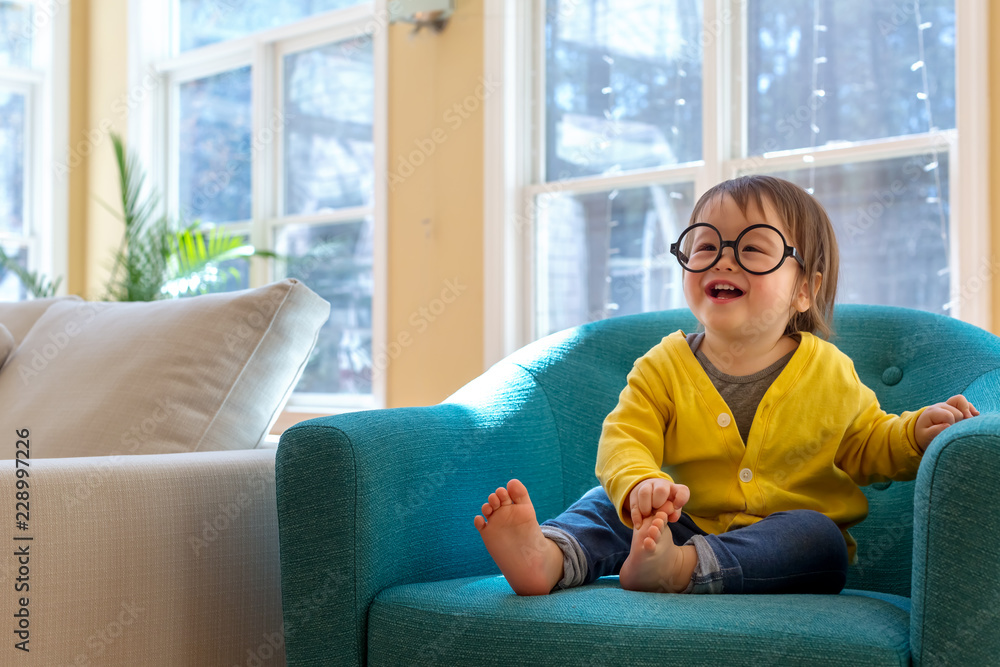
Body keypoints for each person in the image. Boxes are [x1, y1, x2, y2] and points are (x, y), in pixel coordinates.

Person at [473, 175, 979, 596]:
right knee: (605, 503)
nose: (722, 258)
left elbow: (868, 442)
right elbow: (623, 439)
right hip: (680, 519)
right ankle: (548, 556)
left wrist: (915, 434)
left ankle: (678, 569)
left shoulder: (829, 370)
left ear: (805, 289)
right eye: (706, 245)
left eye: (753, 247)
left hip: (778, 541)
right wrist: (640, 485)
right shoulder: (663, 365)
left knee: (818, 537)